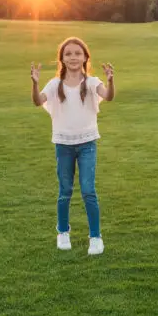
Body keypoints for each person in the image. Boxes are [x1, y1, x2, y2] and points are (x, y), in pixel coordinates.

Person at [30, 37, 115, 255]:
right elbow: (38, 101)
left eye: (78, 53)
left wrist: (111, 81)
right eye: (68, 54)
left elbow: (109, 96)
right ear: (62, 59)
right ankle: (62, 232)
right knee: (65, 191)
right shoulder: (54, 84)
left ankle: (95, 237)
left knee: (88, 191)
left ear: (85, 57)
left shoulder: (92, 82)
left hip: (87, 143)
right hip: (63, 144)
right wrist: (35, 83)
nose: (73, 57)